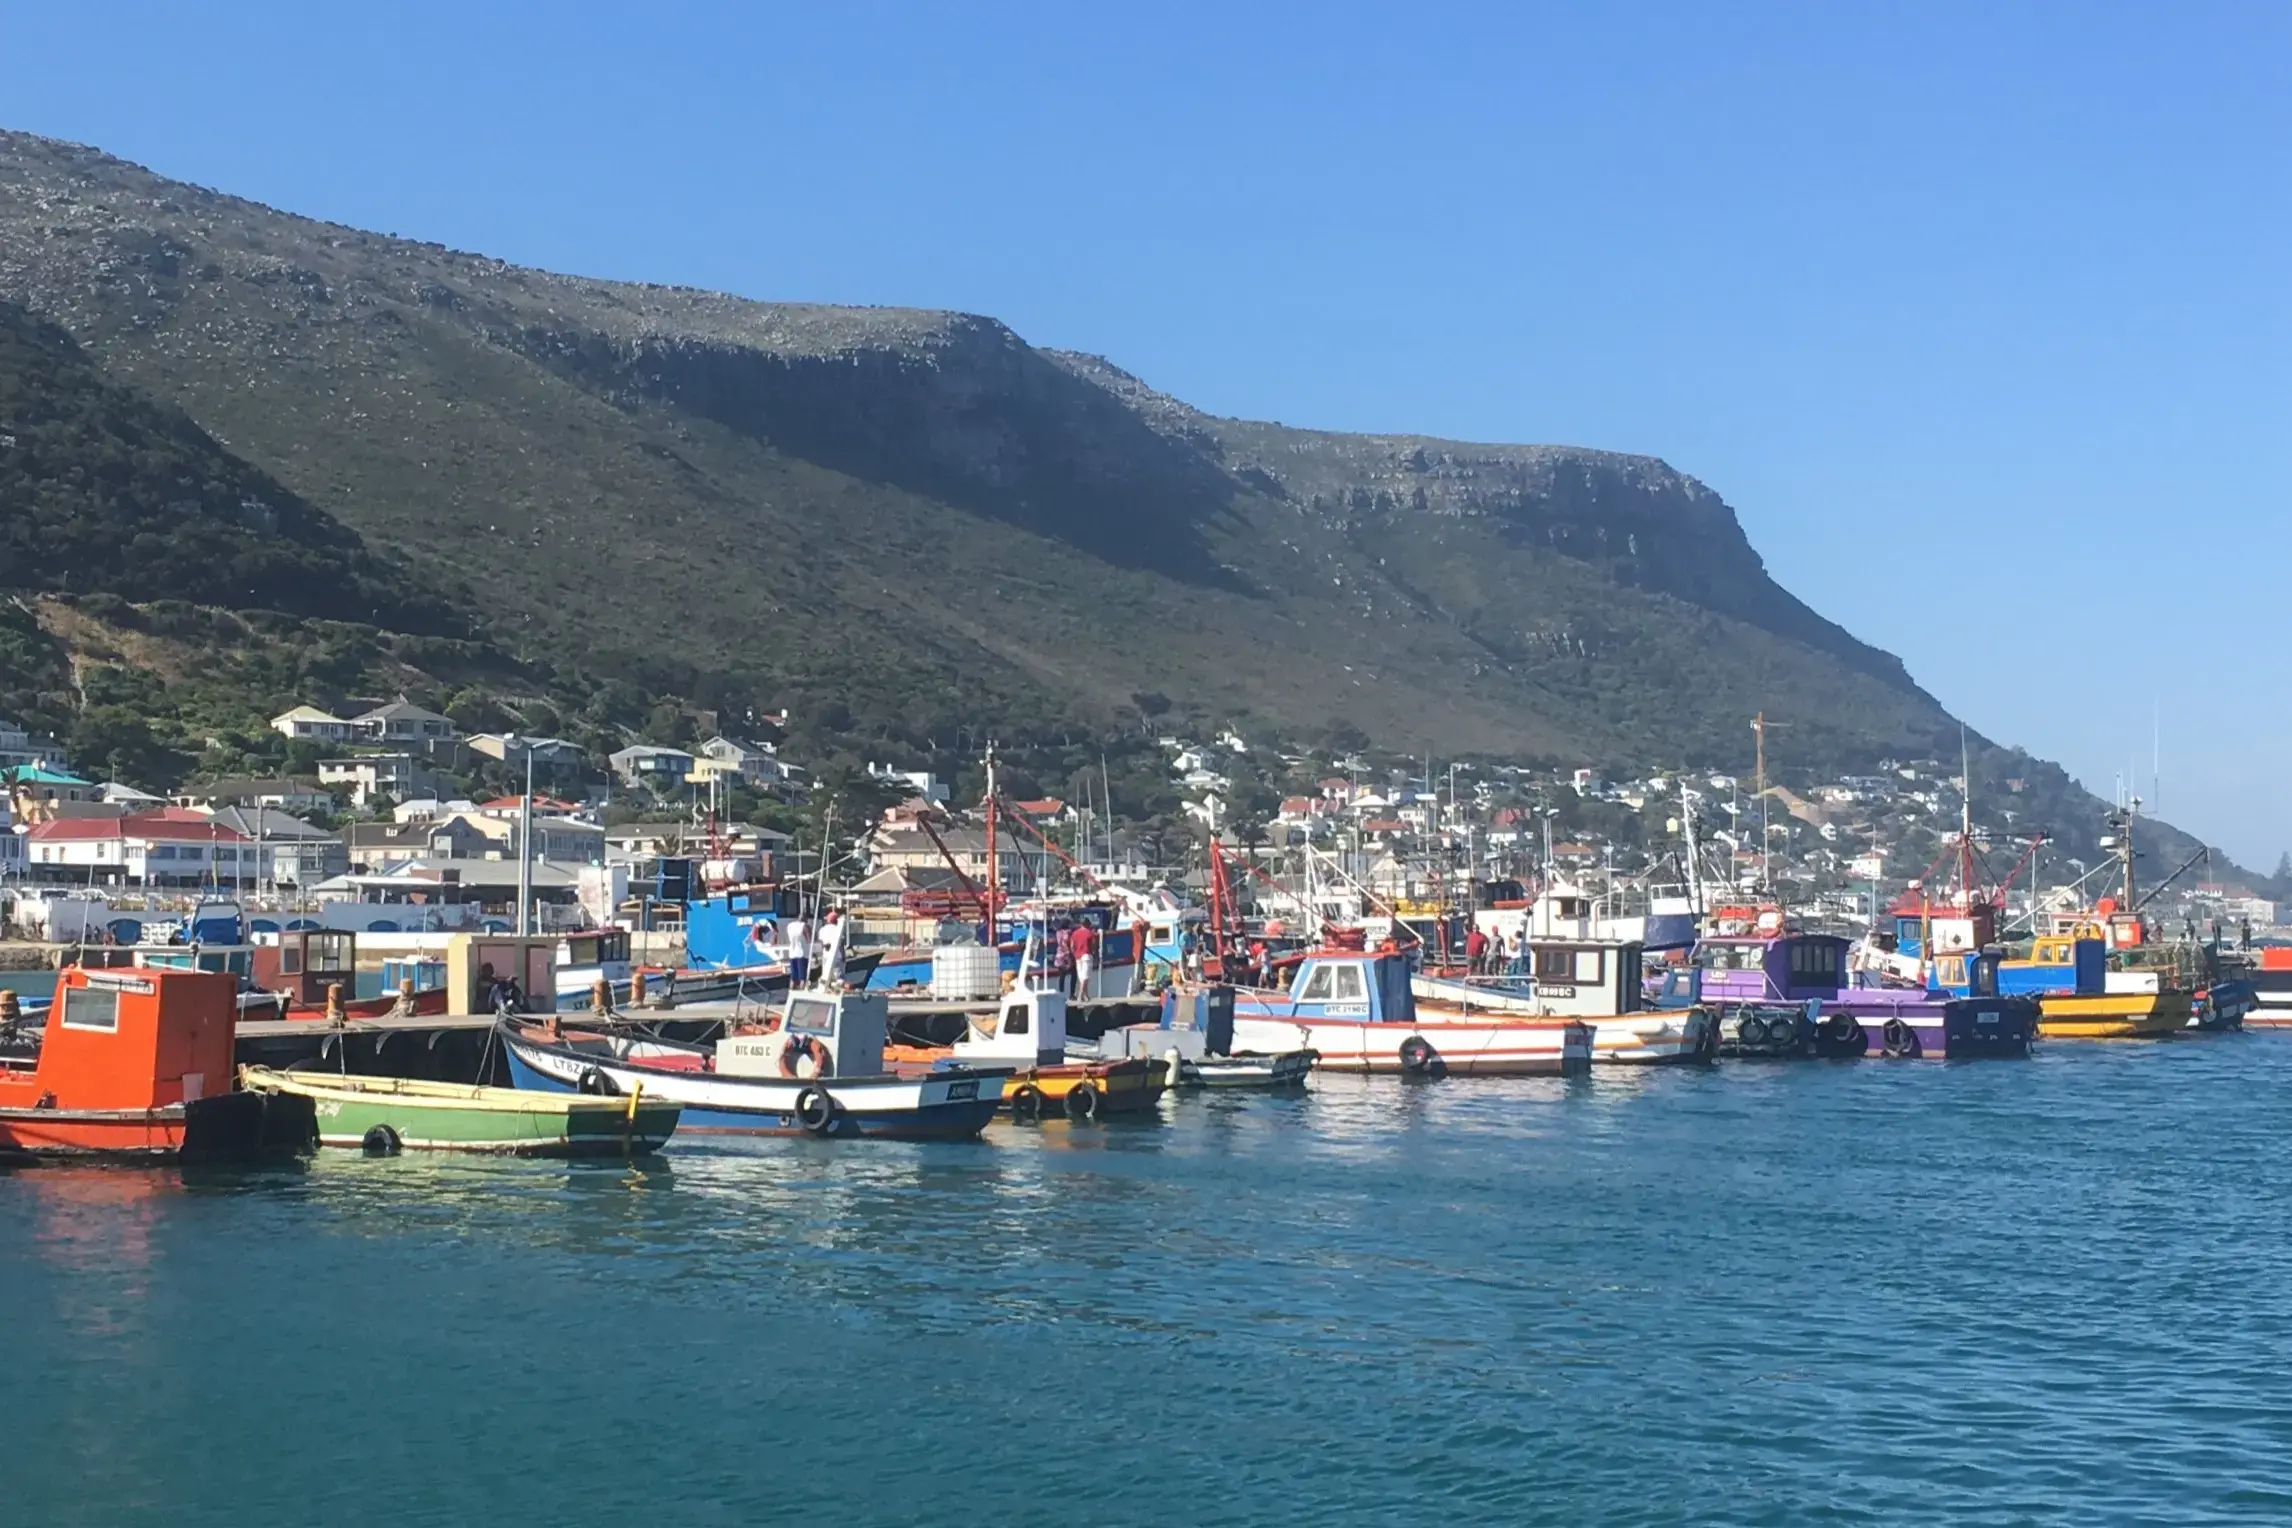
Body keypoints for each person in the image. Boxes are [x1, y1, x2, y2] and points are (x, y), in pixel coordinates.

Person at [816, 907, 847, 990]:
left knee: (826, 975)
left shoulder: (822, 929)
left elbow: (822, 943)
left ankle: (827, 990)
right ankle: (838, 991)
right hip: (837, 956)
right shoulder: (838, 930)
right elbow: (841, 945)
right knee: (839, 977)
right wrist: (843, 956)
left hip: (826, 955)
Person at [1071, 919, 1098, 999]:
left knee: (1081, 977)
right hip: (1086, 955)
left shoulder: (1075, 933)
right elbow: (1094, 945)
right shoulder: (1090, 933)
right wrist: (1093, 952)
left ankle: (1086, 995)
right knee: (1085, 976)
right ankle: (1080, 995)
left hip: (1077, 956)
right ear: (1087, 924)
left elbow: (1072, 946)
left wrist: (1074, 953)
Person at [783, 910, 811, 988]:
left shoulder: (790, 925)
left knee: (793, 977)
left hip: (792, 953)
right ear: (805, 919)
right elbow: (809, 939)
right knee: (802, 978)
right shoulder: (805, 926)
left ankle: (791, 992)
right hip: (802, 953)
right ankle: (802, 993)